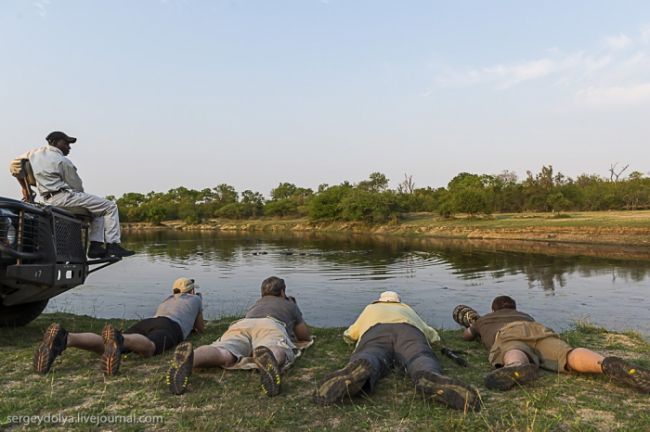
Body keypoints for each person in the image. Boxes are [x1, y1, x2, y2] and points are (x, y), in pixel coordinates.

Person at [313, 291, 480, 411]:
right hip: (409, 330)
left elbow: (350, 334)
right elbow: (432, 335)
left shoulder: (371, 308)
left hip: (376, 331)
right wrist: (434, 340)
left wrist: (350, 338)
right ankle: (429, 373)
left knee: (371, 354)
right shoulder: (407, 309)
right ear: (398, 301)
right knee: (419, 356)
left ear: (379, 300)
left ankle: (357, 374)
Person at [461, 295, 650, 392]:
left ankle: (516, 365)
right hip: (538, 329)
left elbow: (467, 336)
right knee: (567, 353)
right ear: (514, 307)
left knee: (513, 348)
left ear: (493, 309)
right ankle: (604, 363)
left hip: (509, 332)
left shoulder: (484, 319)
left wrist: (473, 325)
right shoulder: (525, 315)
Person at [166, 276, 311, 397]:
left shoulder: (256, 305)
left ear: (262, 293)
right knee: (274, 345)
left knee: (224, 350)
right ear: (282, 292)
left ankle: (192, 358)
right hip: (271, 324)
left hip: (243, 323)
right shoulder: (289, 304)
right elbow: (304, 336)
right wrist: (294, 311)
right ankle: (269, 359)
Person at [34, 277, 204, 375]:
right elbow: (200, 328)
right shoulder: (196, 299)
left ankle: (67, 338)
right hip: (171, 326)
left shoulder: (168, 299)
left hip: (149, 321)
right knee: (150, 348)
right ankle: (120, 339)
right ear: (191, 291)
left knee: (107, 344)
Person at [11, 131, 133, 258]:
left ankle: (96, 247)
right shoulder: (62, 161)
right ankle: (113, 245)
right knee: (110, 206)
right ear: (55, 142)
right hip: (62, 197)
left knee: (98, 210)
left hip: (47, 199)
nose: (68, 147)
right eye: (66, 143)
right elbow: (77, 187)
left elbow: (14, 166)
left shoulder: (33, 153)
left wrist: (24, 187)